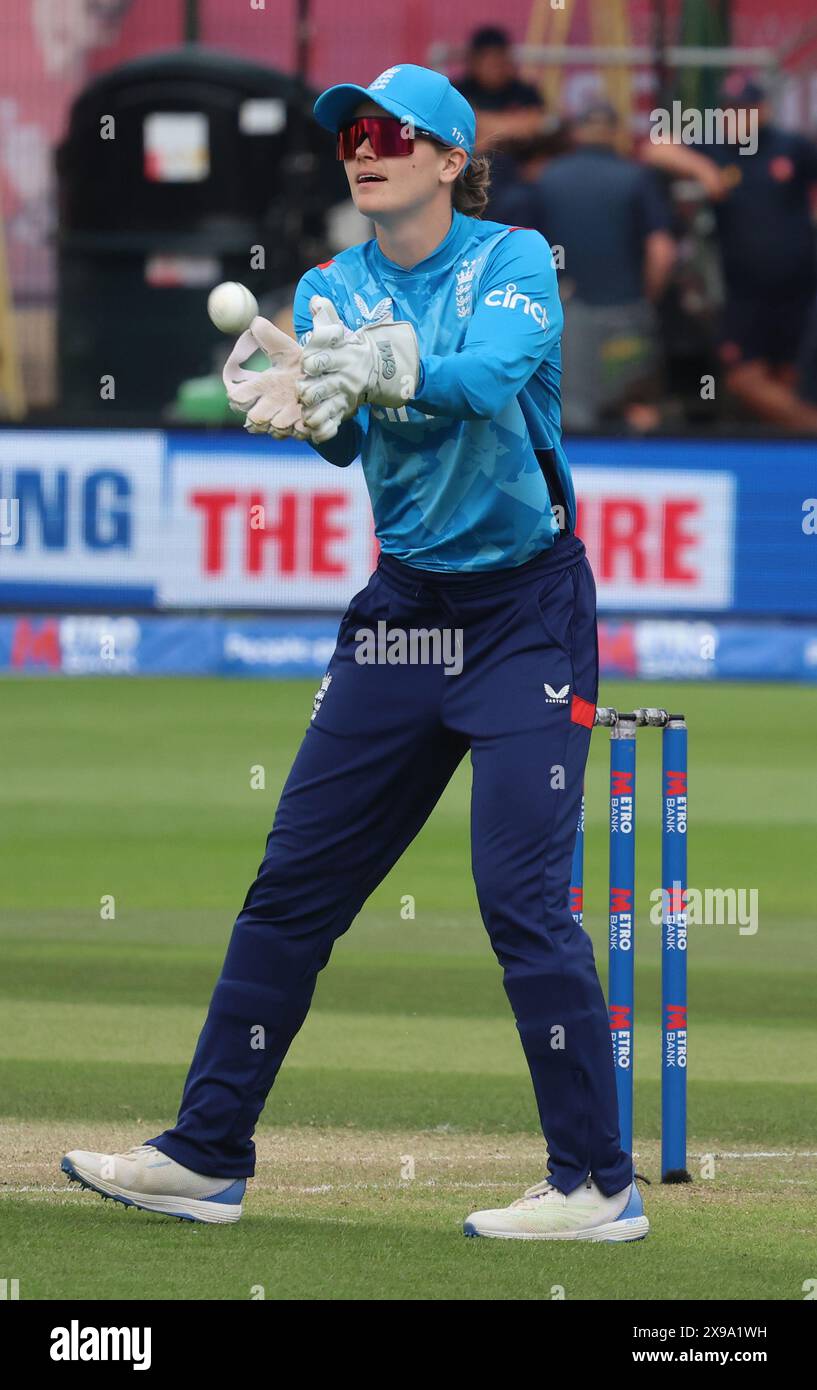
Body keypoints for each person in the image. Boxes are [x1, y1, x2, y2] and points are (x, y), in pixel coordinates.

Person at [61, 63, 647, 1243]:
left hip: (526, 609)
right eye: (351, 136)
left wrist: (388, 369)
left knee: (521, 902)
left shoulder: (513, 259)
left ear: (449, 158)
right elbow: (350, 445)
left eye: (391, 133)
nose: (364, 149)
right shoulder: (331, 282)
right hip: (399, 614)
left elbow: (486, 382)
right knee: (292, 890)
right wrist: (313, 410)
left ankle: (596, 1185)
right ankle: (204, 1153)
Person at [643, 77, 817, 433]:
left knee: (790, 379)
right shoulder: (716, 150)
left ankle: (789, 459)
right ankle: (808, 430)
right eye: (729, 110)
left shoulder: (792, 146)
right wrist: (701, 169)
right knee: (743, 379)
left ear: (763, 110)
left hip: (799, 291)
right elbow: (654, 148)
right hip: (744, 294)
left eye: (745, 110)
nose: (736, 118)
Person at [520, 103, 676, 431]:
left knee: (573, 415)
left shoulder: (547, 177)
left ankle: (578, 481)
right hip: (627, 311)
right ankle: (640, 477)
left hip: (568, 313)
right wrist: (645, 298)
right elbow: (661, 252)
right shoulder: (637, 176)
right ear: (616, 134)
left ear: (578, 133)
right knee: (635, 411)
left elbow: (524, 251)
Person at [454, 25, 545, 152]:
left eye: (500, 58)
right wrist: (511, 125)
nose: (496, 66)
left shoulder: (525, 91)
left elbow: (534, 124)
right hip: (473, 160)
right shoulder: (457, 92)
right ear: (474, 61)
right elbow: (458, 127)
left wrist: (485, 128)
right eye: (489, 60)